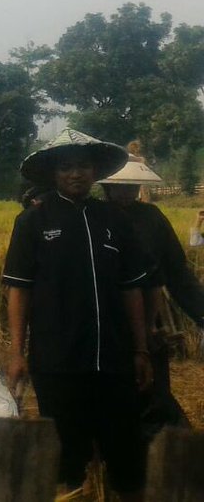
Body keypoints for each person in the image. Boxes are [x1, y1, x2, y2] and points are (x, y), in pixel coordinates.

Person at [3, 129, 152, 501]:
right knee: (67, 456)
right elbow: (18, 290)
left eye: (83, 166)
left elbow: (131, 288)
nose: (76, 174)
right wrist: (16, 353)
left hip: (114, 359)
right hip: (57, 361)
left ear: (95, 171)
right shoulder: (33, 223)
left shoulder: (114, 220)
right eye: (67, 167)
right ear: (54, 173)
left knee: (126, 452)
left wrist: (141, 349)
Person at [100, 157, 204, 437]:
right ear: (105, 186)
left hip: (148, 323)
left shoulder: (152, 218)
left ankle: (164, 463)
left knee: (153, 394)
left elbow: (177, 274)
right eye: (119, 187)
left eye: (132, 186)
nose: (127, 193)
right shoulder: (92, 216)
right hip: (102, 324)